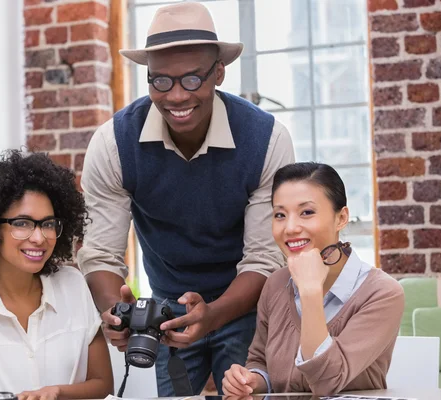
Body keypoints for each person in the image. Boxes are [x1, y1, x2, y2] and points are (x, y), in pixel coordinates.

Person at [78, 2, 294, 396]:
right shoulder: (112, 144)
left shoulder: (267, 140)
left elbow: (265, 257)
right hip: (166, 307)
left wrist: (214, 315)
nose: (176, 96)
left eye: (192, 80)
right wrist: (117, 314)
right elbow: (101, 254)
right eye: (160, 81)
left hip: (248, 303)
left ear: (219, 73)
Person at [222, 162, 405, 396]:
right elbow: (260, 362)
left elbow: (327, 382)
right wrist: (249, 380)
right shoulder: (276, 284)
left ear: (341, 218)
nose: (290, 228)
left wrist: (310, 292)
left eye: (306, 212)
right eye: (280, 215)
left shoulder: (382, 293)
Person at [0, 150, 113, 400]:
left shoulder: (72, 285)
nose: (39, 238)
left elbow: (102, 385)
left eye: (47, 224)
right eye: (22, 223)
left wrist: (56, 393)